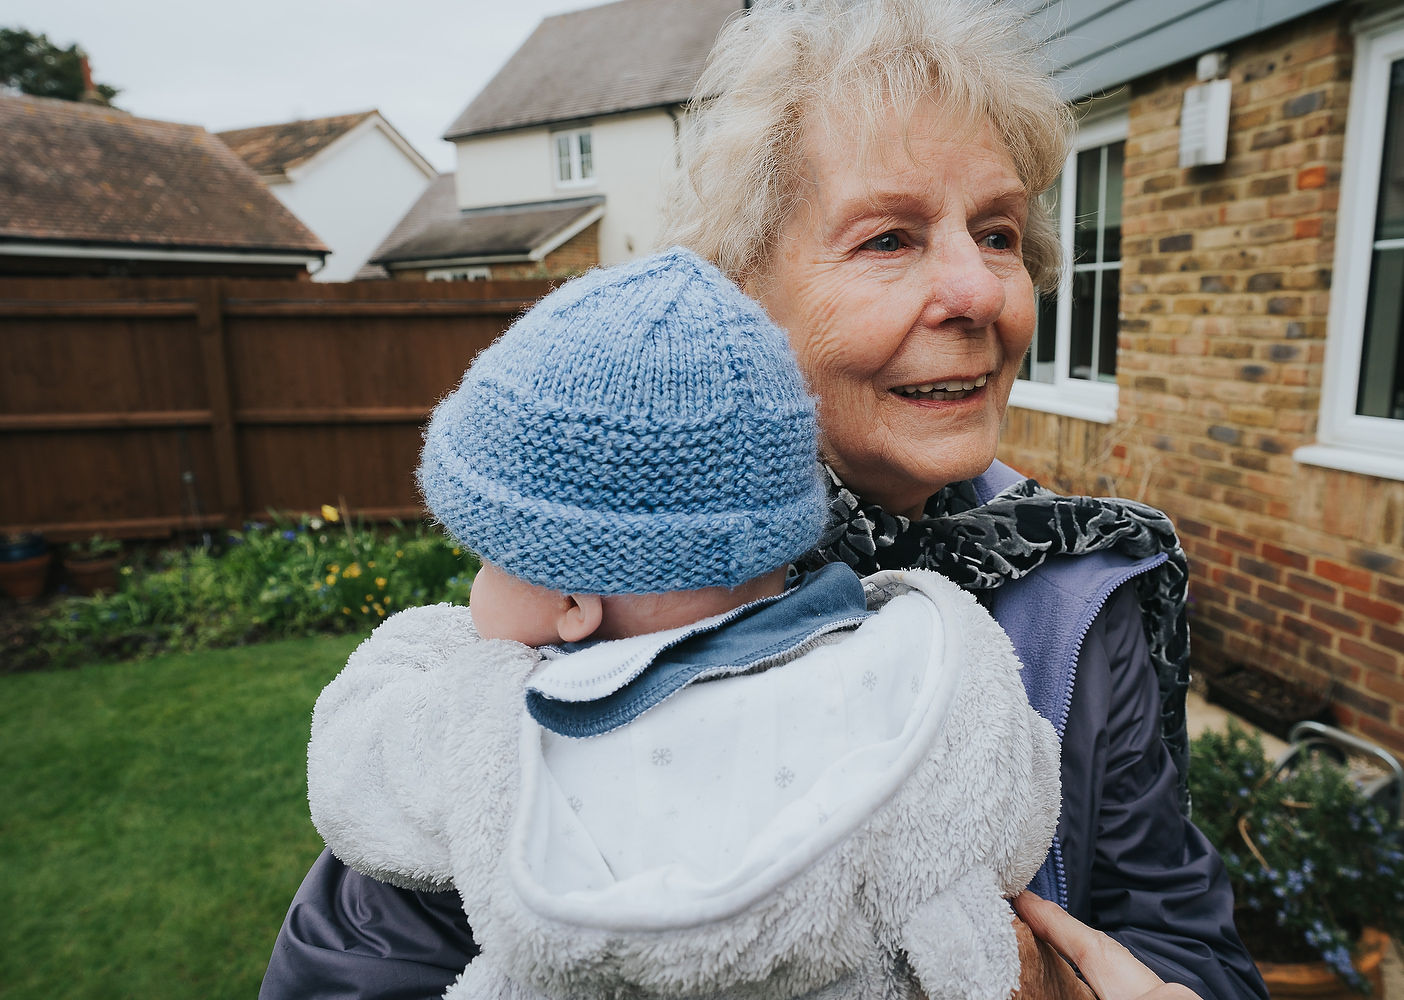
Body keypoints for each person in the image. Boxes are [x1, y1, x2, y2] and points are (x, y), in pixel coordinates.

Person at [261, 2, 1267, 998]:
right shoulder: (623, 565)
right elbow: (357, 965)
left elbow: (1190, 947)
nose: (979, 292)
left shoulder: (1081, 586)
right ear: (747, 296)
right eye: (889, 238)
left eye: (998, 233)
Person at [300, 247, 1064, 1000]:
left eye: (487, 562)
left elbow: (354, 773)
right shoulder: (911, 662)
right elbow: (1018, 802)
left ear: (572, 604)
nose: (471, 590)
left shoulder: (512, 733)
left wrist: (423, 648)